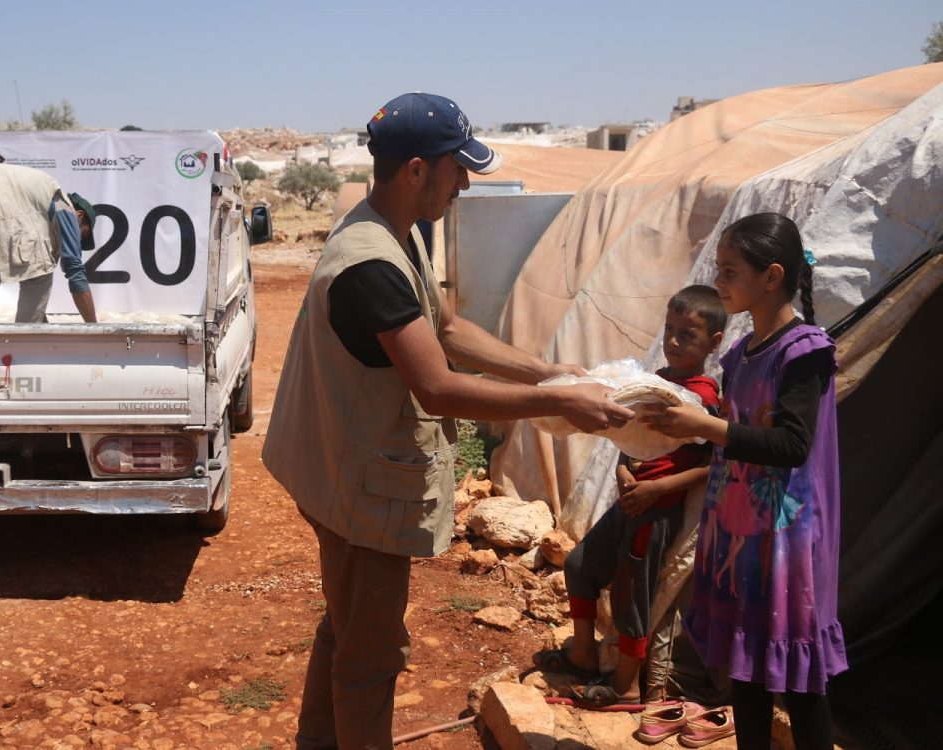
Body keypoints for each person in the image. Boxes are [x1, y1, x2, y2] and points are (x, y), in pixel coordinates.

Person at [261, 92, 635, 750]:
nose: (463, 183)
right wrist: (560, 405)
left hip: (335, 470)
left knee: (347, 630)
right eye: (455, 168)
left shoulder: (389, 230)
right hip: (357, 490)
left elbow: (447, 328)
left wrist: (549, 374)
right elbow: (435, 386)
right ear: (414, 170)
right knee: (371, 658)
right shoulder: (371, 264)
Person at [643, 213, 847, 750]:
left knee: (800, 684)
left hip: (787, 540)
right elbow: (736, 435)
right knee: (746, 672)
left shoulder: (804, 352)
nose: (720, 282)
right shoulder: (740, 353)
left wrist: (707, 426)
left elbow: (790, 446)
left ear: (772, 276)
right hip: (739, 534)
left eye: (730, 271)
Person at [544, 285, 725, 708]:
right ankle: (584, 653)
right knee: (579, 563)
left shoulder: (704, 398)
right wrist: (625, 470)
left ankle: (625, 685)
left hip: (659, 511)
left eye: (688, 334)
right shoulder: (657, 382)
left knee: (632, 591)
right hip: (632, 500)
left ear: (714, 343)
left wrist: (659, 487)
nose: (674, 341)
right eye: (669, 329)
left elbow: (712, 462)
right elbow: (634, 440)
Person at [0, 162, 98, 323]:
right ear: (80, 215)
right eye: (84, 234)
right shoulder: (66, 208)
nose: (80, 240)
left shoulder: (42, 204)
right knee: (39, 273)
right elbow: (74, 269)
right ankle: (25, 341)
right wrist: (94, 327)